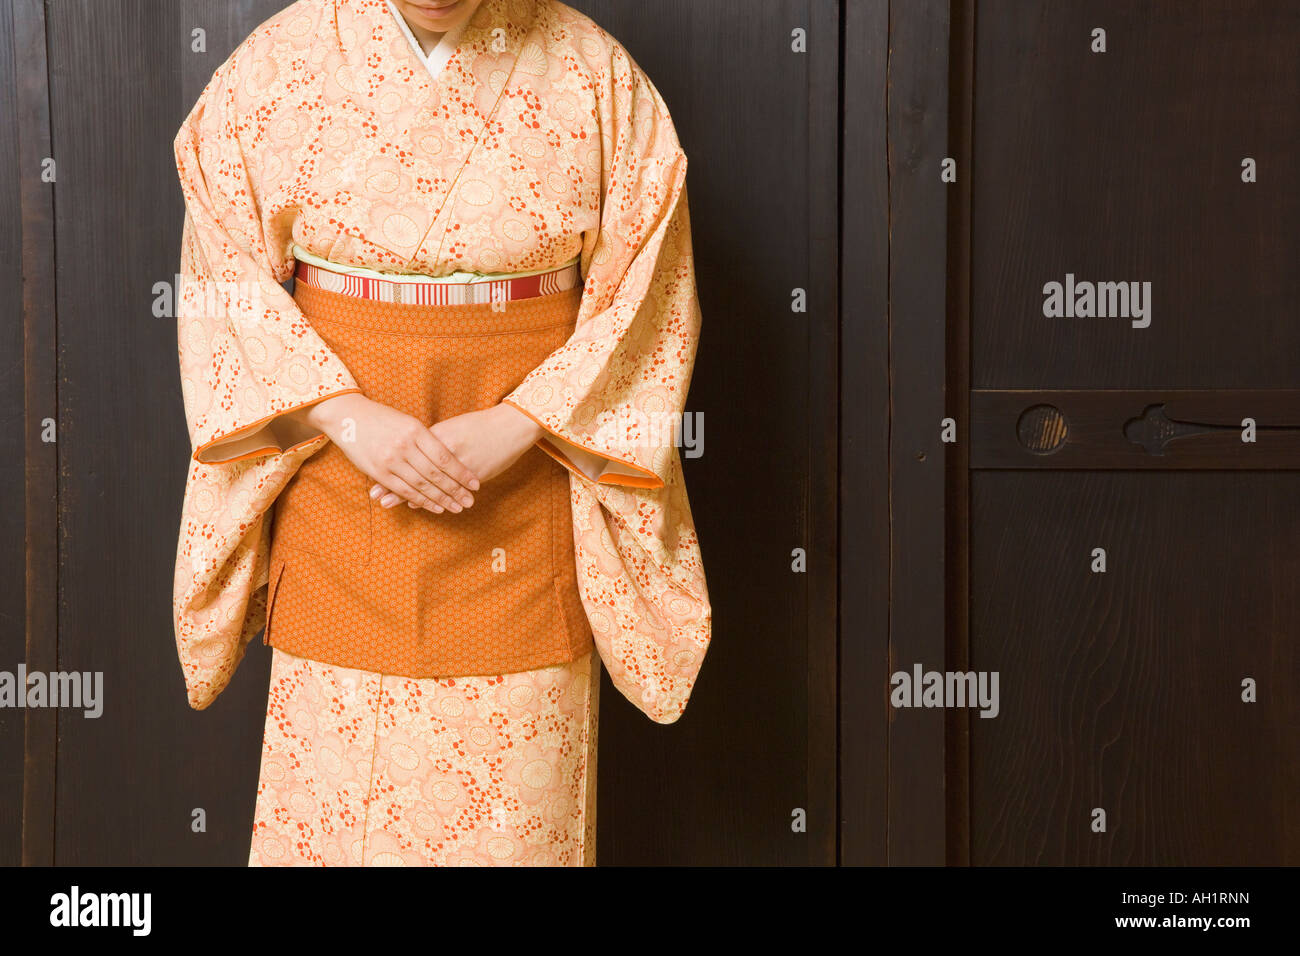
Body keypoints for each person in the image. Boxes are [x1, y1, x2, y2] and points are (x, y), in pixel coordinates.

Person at [171, 0, 711, 866]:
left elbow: (648, 302)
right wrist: (346, 417)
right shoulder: (280, 63)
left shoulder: (593, 73)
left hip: (523, 507)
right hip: (339, 502)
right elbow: (224, 285)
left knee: (518, 828)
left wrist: (521, 423)